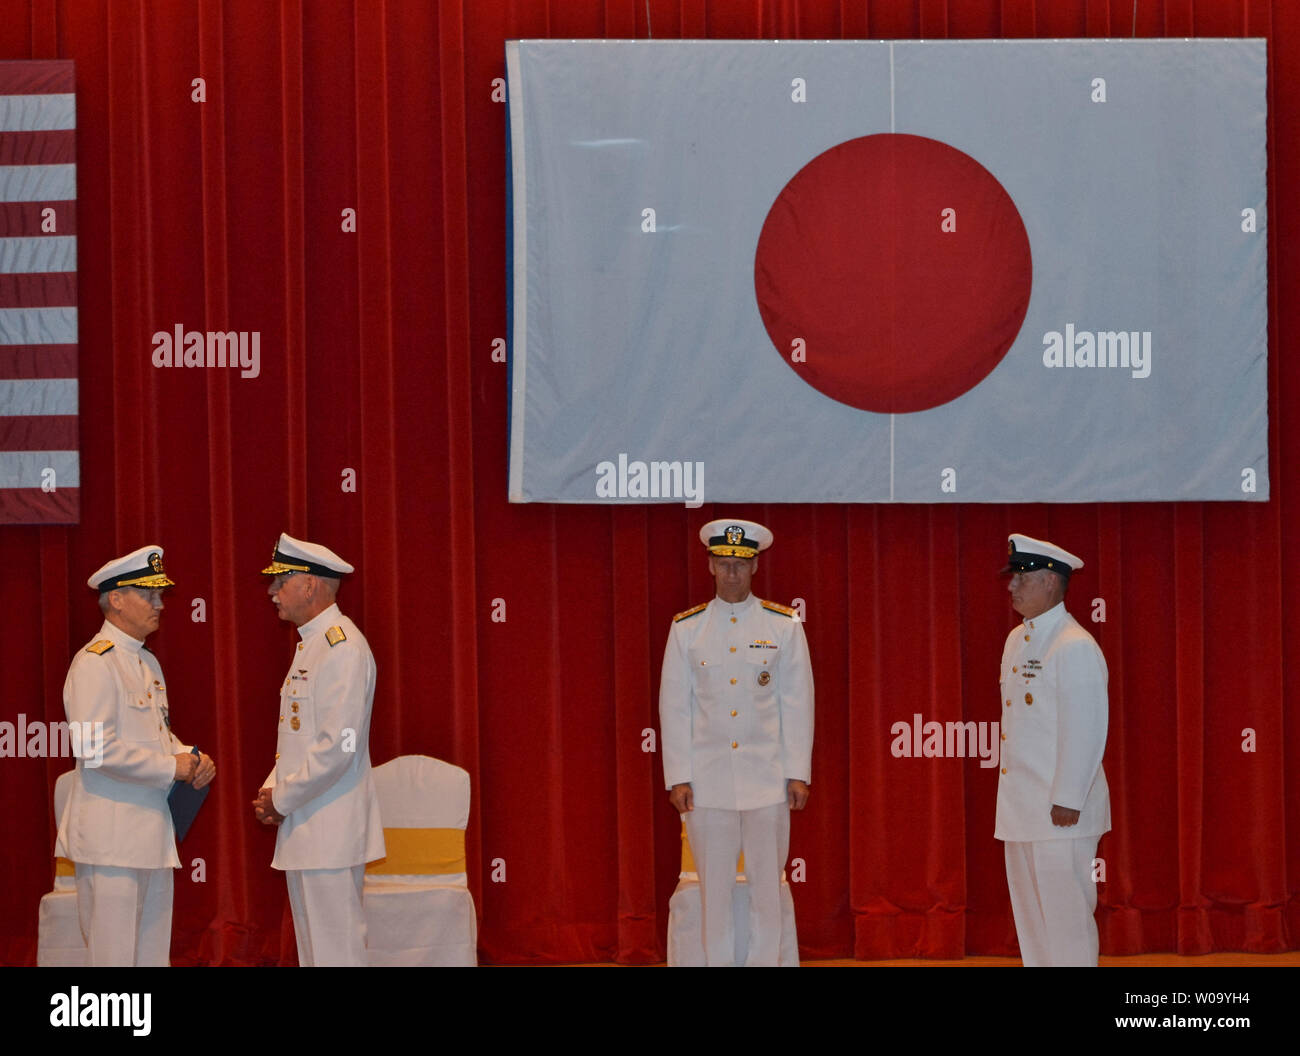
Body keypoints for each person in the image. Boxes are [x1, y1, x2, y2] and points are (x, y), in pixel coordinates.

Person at [659, 518, 813, 966]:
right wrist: (679, 777)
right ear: (709, 565)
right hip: (707, 785)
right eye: (723, 563)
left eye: (740, 565)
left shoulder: (782, 625)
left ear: (754, 568)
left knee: (768, 891)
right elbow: (675, 707)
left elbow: (798, 703)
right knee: (715, 895)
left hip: (767, 783)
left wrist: (797, 773)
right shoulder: (687, 629)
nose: (731, 574)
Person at [55, 545, 215, 966]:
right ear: (116, 599)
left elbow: (155, 733)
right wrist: (170, 767)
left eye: (160, 595)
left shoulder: (146, 662)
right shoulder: (94, 663)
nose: (159, 604)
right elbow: (94, 748)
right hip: (111, 840)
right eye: (149, 594)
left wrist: (190, 757)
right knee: (113, 959)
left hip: (149, 835)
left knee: (150, 957)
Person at [253, 532, 384, 966]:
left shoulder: (342, 648)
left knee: (337, 952)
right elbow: (296, 738)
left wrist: (282, 799)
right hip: (310, 823)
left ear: (310, 584)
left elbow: (337, 747)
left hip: (330, 826)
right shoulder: (313, 644)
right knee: (317, 954)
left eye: (281, 581)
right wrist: (273, 793)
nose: (273, 592)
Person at [996, 533, 1110, 967]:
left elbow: (1086, 726)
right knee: (1033, 924)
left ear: (1049, 582)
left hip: (1061, 812)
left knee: (1066, 924)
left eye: (1021, 578)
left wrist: (1067, 797)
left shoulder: (1073, 644)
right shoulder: (1016, 641)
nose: (1012, 586)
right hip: (1022, 809)